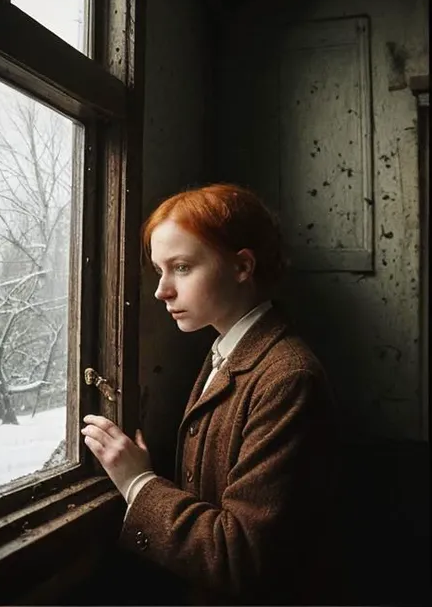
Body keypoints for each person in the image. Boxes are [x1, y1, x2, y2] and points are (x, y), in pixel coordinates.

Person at [82, 182, 339, 605]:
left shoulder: (288, 378)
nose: (161, 290)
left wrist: (138, 482)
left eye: (181, 267)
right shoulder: (225, 351)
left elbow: (239, 557)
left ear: (242, 266)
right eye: (159, 270)